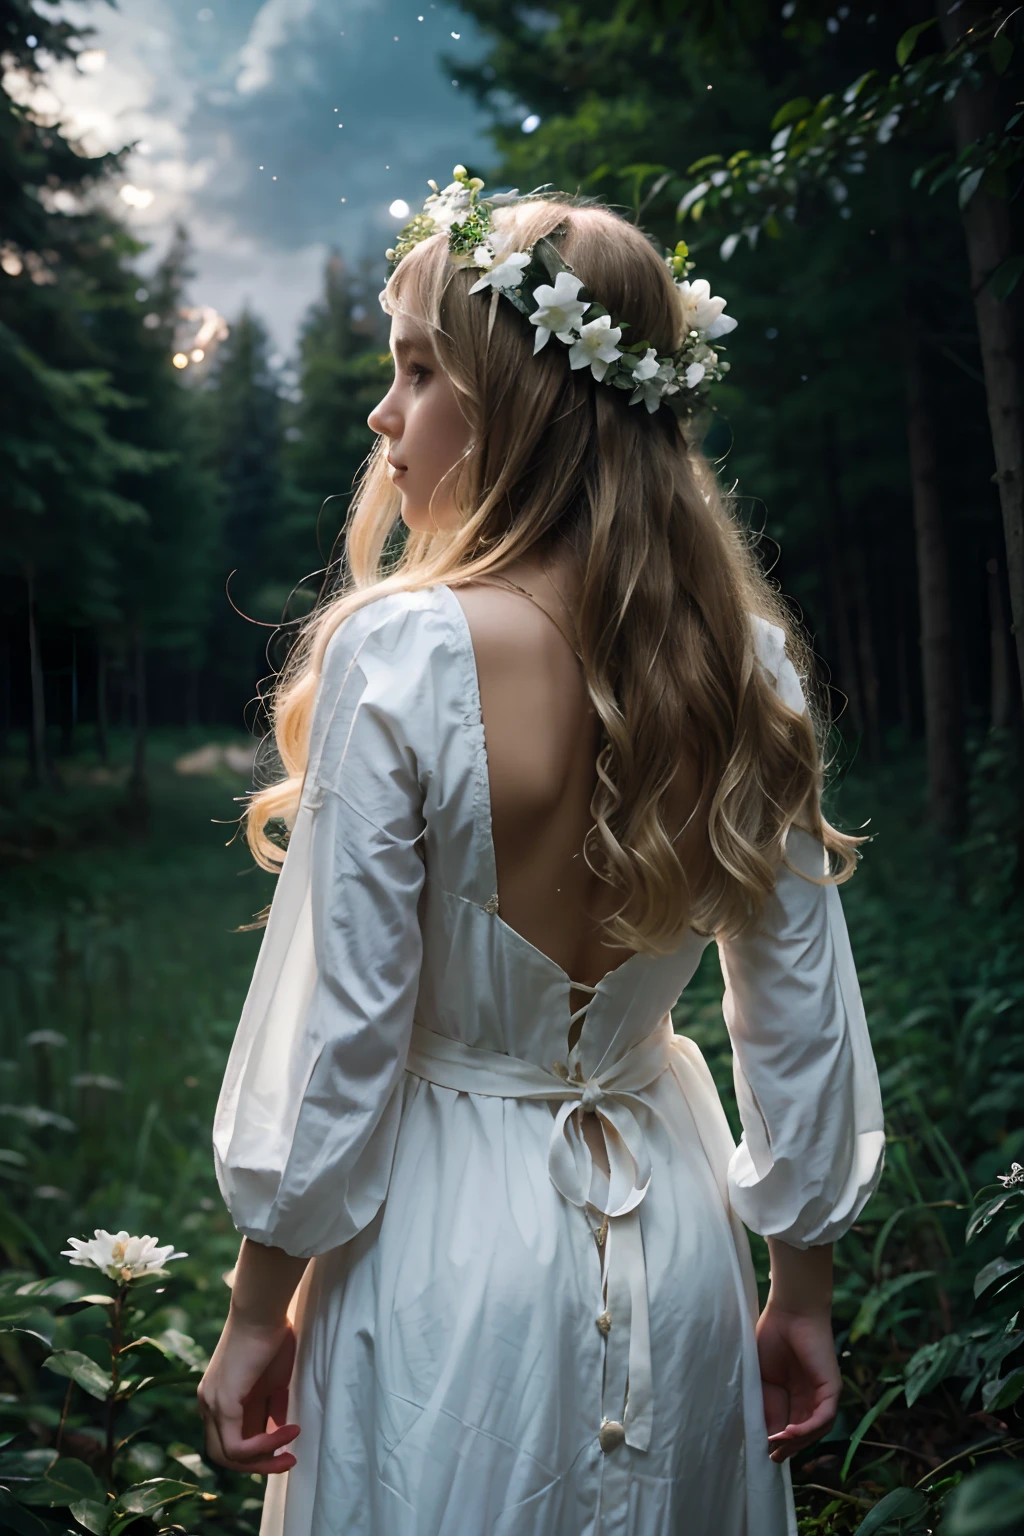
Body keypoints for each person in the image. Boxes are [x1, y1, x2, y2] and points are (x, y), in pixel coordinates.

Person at [198, 171, 886, 1536]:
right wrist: (798, 1285)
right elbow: (795, 1020)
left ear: (520, 401)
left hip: (436, 1254)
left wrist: (255, 1310)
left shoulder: (400, 654)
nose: (384, 417)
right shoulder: (744, 669)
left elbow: (345, 1040)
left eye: (415, 372)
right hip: (674, 1250)